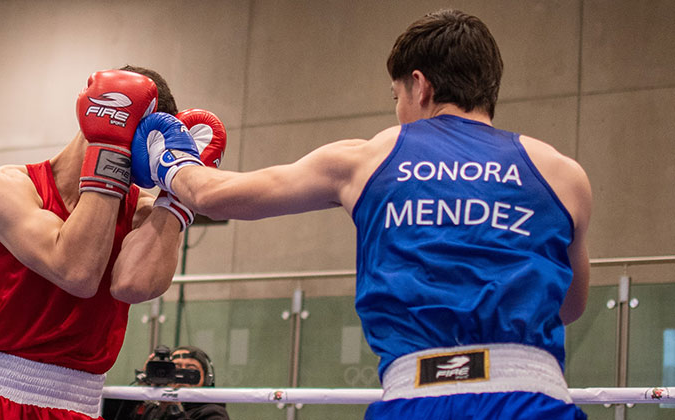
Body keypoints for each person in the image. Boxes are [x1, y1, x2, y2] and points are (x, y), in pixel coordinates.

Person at [132, 8, 592, 420]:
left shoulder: (368, 158)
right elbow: (569, 306)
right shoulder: (563, 174)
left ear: (420, 85)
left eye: (396, 96)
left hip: (420, 396)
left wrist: (168, 150)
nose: (397, 112)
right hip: (536, 398)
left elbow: (217, 196)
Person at [0, 66, 226, 420]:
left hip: (80, 407)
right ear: (98, 118)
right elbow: (75, 271)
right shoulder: (4, 189)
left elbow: (134, 286)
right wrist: (110, 149)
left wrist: (174, 200)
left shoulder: (144, 211)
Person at [109, 346, 230, 420]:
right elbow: (112, 415)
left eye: (191, 370)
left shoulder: (214, 412)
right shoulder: (154, 409)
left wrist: (173, 408)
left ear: (206, 380)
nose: (182, 375)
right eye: (176, 369)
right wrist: (142, 386)